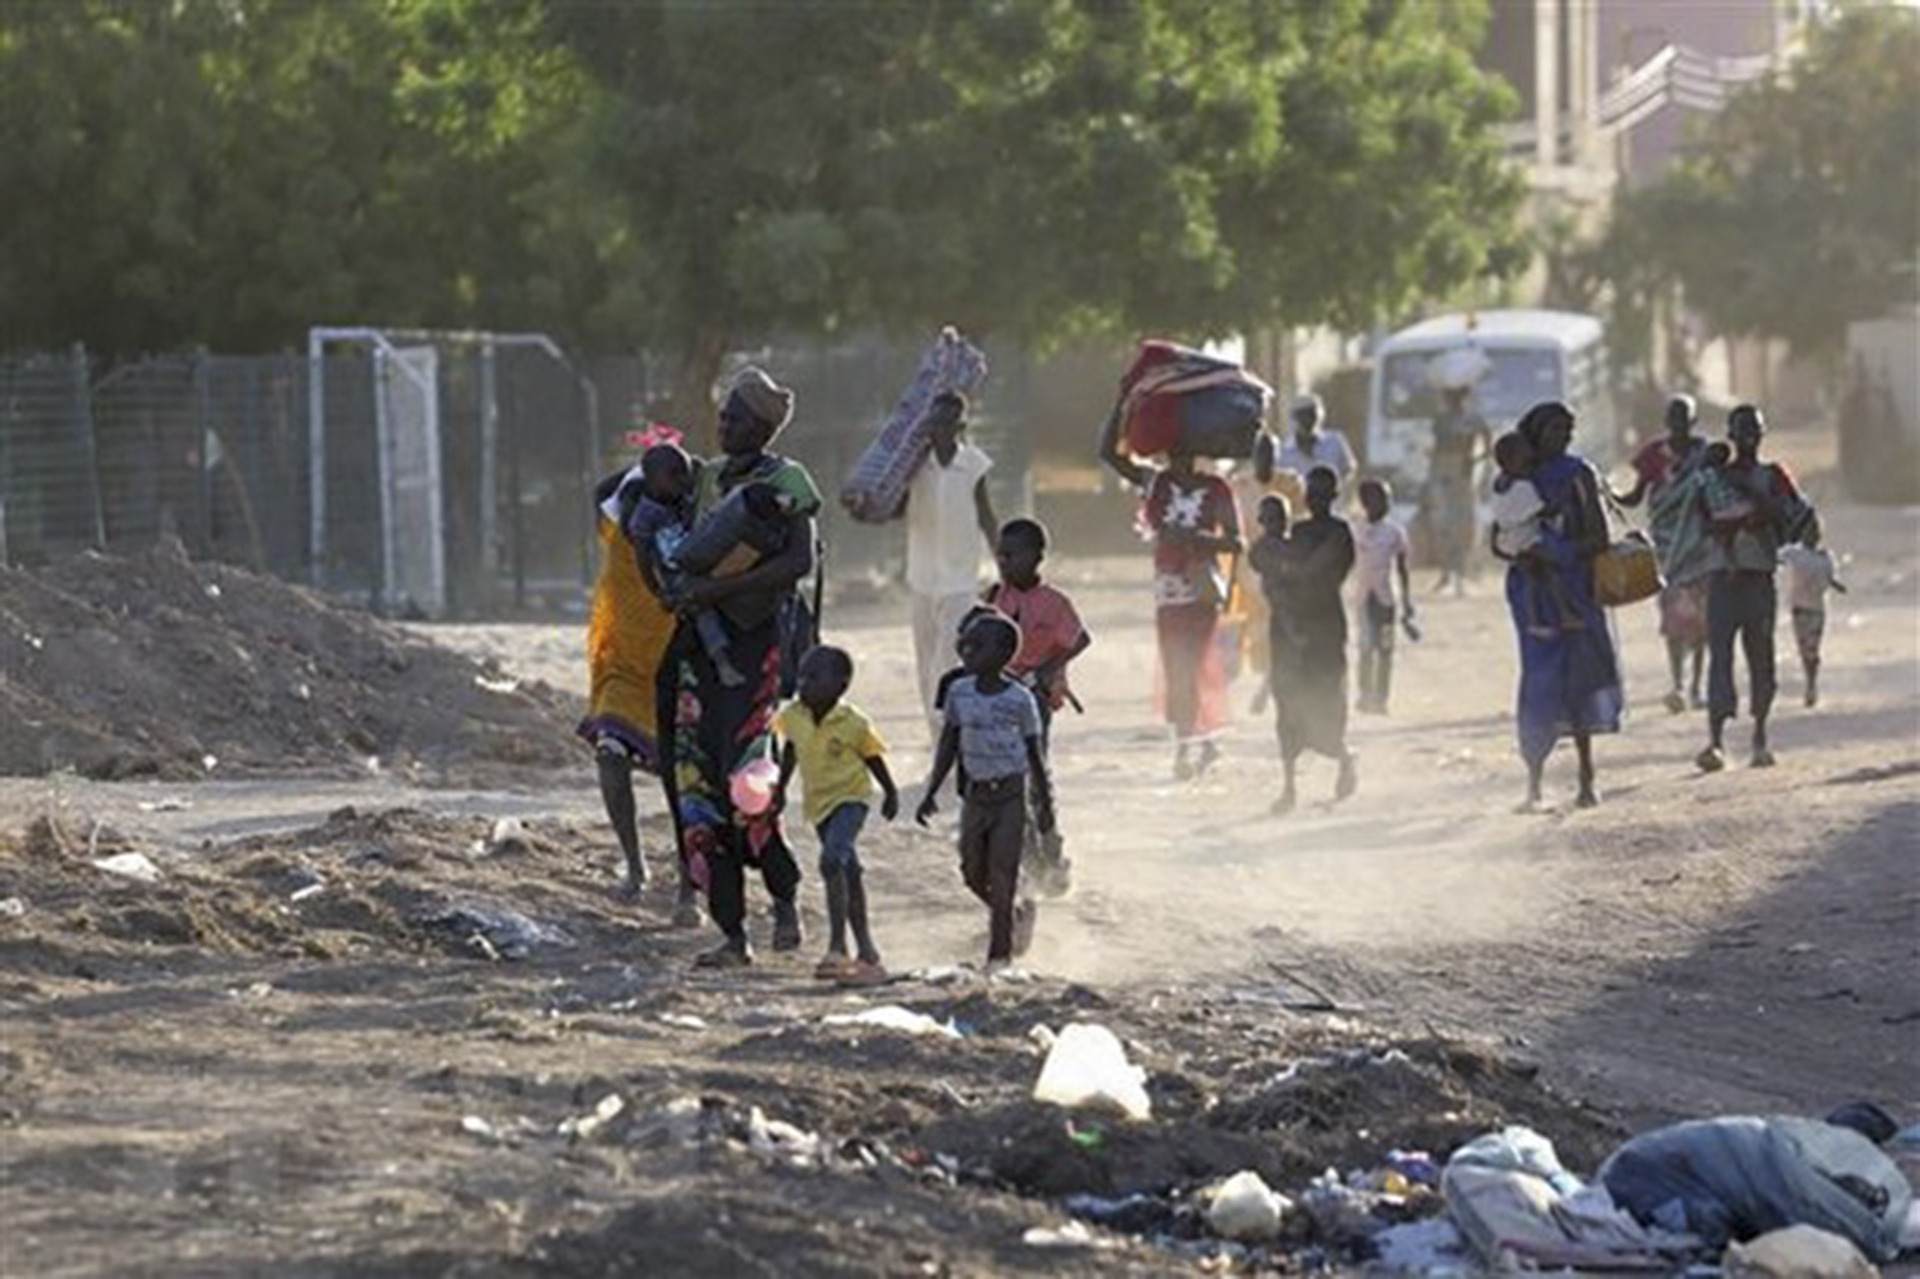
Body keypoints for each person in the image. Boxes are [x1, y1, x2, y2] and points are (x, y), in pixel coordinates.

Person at [665, 367, 821, 969]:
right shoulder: (705, 478)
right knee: (695, 787)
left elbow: (798, 561)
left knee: (750, 786)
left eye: (733, 417)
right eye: (724, 415)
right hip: (698, 651)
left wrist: (718, 589)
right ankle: (733, 933)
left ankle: (784, 901)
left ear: (761, 425)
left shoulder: (786, 482)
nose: (723, 424)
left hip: (758, 649)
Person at [580, 444, 692, 914]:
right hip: (622, 667)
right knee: (610, 756)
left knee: (682, 781)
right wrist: (644, 467)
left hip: (676, 664)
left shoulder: (686, 534)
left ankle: (691, 882)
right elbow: (603, 491)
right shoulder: (617, 526)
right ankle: (634, 865)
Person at [1496, 401, 1623, 810]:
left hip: (1575, 589)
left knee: (1580, 681)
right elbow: (1497, 539)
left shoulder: (1579, 474)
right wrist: (1525, 556)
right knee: (1539, 682)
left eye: (1568, 431)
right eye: (1554, 430)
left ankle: (1587, 777)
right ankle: (1533, 783)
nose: (1563, 438)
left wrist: (1559, 553)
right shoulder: (1517, 477)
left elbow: (1599, 539)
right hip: (1533, 597)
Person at [915, 613, 1054, 969]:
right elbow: (949, 742)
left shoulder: (1020, 700)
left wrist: (1044, 807)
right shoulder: (959, 692)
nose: (966, 651)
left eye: (976, 646)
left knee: (1002, 873)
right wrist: (931, 790)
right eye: (964, 644)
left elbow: (1035, 756)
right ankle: (1014, 914)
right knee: (971, 871)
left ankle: (999, 955)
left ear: (1004, 652)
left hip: (1010, 795)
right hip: (975, 796)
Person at [1099, 438, 1243, 780]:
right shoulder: (1159, 484)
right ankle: (1189, 745)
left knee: (1194, 662)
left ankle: (1196, 743)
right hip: (1169, 587)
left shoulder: (1216, 488)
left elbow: (1236, 541)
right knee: (1177, 665)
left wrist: (1195, 539)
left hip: (1201, 585)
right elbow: (1109, 455)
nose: (1178, 457)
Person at [772, 645, 899, 986]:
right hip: (819, 804)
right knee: (849, 871)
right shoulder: (794, 717)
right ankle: (868, 950)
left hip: (851, 798)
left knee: (832, 860)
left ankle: (837, 946)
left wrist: (890, 791)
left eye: (814, 677)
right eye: (801, 676)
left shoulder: (853, 722)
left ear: (840, 685)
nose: (803, 683)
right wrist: (780, 789)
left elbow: (872, 757)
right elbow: (791, 750)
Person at [1698, 404, 1815, 773]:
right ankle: (1715, 741)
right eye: (1743, 432)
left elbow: (1796, 519)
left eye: (1754, 431)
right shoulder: (1714, 477)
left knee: (1760, 659)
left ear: (1762, 435)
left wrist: (1758, 508)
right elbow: (1703, 522)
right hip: (1721, 577)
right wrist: (1741, 520)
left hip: (1757, 576)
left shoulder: (1774, 476)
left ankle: (1759, 737)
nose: (1749, 438)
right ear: (1731, 436)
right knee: (1720, 658)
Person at [984, 517, 1090, 892]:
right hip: (998, 698)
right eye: (1001, 554)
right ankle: (1026, 855)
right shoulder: (995, 597)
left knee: (1036, 776)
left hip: (1035, 700)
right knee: (1004, 778)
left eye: (1012, 554)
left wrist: (1049, 669)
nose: (1004, 561)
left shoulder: (1054, 603)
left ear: (1036, 557)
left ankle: (1051, 848)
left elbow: (1080, 639)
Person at [1251, 470, 1357, 814]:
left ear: (1333, 495)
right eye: (1312, 492)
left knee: (1326, 699)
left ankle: (1342, 758)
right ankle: (1289, 786)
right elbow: (1269, 565)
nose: (1316, 498)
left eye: (1323, 492)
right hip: (1290, 630)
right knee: (1289, 705)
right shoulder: (1296, 533)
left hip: (1325, 627)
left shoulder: (1338, 533)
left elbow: (1309, 569)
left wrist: (1289, 571)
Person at [905, 390, 997, 741]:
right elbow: (892, 506)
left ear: (960, 426)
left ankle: (952, 737)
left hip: (961, 578)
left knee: (949, 660)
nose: (941, 429)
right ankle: (936, 741)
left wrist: (1004, 565)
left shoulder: (974, 464)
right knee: (925, 663)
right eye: (935, 422)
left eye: (948, 422)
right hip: (921, 575)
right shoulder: (914, 466)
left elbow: (987, 516)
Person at [1615, 394, 1711, 712]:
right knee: (1672, 616)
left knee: (1701, 620)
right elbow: (1636, 496)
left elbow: (1716, 492)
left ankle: (1697, 685)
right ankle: (1678, 684)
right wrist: (1608, 495)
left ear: (1693, 422)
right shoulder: (1654, 455)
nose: (1678, 426)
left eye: (1684, 420)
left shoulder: (1705, 453)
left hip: (1699, 545)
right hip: (1667, 548)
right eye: (1673, 420)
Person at [623, 442, 745, 688]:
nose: (682, 480)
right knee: (702, 611)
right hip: (676, 577)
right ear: (652, 480)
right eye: (674, 475)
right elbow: (643, 558)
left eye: (684, 473)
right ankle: (721, 661)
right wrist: (657, 590)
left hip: (700, 561)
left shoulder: (684, 499)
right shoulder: (645, 516)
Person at [1489, 432, 1585, 638]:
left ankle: (1535, 620)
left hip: (1508, 539)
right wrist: (1563, 500)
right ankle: (1565, 613)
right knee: (1551, 572)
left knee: (1533, 578)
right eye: (1525, 459)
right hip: (1525, 539)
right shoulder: (1523, 487)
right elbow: (1543, 511)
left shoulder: (1499, 485)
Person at [1351, 477, 1414, 714]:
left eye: (1388, 499)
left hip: (1386, 600)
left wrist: (1407, 601)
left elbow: (1402, 568)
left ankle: (1381, 698)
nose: (1386, 504)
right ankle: (1365, 695)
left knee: (1385, 649)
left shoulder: (1394, 532)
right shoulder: (1356, 530)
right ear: (1366, 502)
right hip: (1362, 598)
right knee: (1366, 647)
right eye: (1381, 499)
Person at [1423, 384, 1490, 595]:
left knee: (1465, 523)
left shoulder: (1473, 419)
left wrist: (1475, 460)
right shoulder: (1441, 420)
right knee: (1443, 523)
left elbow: (1488, 442)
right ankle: (1446, 573)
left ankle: (1463, 572)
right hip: (1443, 472)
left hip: (1463, 473)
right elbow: (1435, 449)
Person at [1780, 528, 1845, 708]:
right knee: (1805, 649)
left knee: (1812, 649)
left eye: (1814, 534)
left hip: (1817, 608)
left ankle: (1811, 685)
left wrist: (1838, 586)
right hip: (1799, 608)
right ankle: (1810, 683)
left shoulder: (1825, 558)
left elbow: (1830, 578)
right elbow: (1777, 558)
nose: (1811, 537)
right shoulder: (1794, 553)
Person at [1274, 392, 1357, 493]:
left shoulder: (1334, 442)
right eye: (1303, 416)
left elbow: (1348, 471)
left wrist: (1333, 489)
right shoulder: (1283, 452)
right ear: (1295, 418)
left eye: (1312, 415)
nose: (1308, 420)